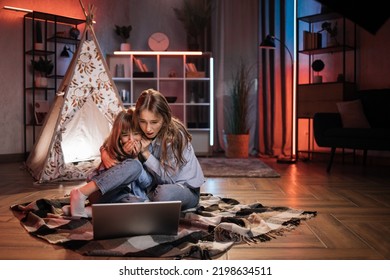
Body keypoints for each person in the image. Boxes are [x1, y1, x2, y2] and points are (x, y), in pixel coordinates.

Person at [100, 88, 205, 210]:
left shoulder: (175, 136)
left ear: (164, 119)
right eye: (143, 121)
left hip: (182, 189)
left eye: (154, 122)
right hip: (151, 188)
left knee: (163, 194)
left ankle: (137, 202)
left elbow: (168, 180)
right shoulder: (138, 127)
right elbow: (113, 138)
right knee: (125, 186)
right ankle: (140, 202)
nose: (148, 128)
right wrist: (105, 152)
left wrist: (145, 153)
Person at [68, 109, 153, 217]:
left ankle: (87, 211)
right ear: (119, 137)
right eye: (125, 135)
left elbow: (146, 183)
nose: (131, 140)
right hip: (100, 194)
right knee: (134, 166)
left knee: (144, 207)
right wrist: (124, 157)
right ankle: (80, 193)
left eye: (136, 134)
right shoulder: (110, 150)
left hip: (121, 199)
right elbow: (106, 179)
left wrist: (135, 157)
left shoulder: (145, 151)